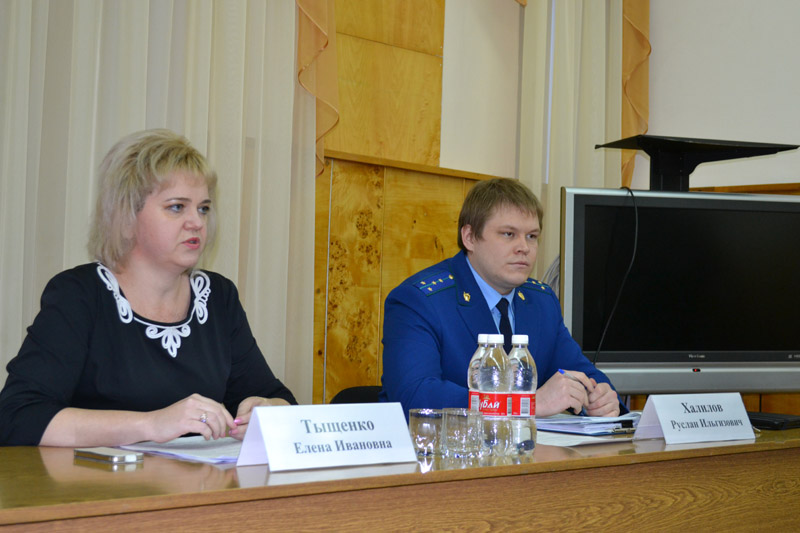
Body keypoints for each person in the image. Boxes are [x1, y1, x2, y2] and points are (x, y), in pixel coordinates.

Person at [0, 129, 296, 447]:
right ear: (127, 217)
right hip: (97, 479)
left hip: (193, 479)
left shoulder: (218, 297)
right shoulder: (80, 294)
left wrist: (268, 412)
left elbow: (277, 398)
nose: (197, 222)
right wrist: (152, 424)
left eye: (203, 208)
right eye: (177, 207)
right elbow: (18, 416)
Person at [379, 178, 624, 417]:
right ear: (470, 237)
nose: (524, 247)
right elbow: (414, 395)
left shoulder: (541, 301)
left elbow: (581, 372)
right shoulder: (419, 301)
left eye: (532, 236)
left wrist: (601, 398)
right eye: (508, 234)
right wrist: (526, 404)